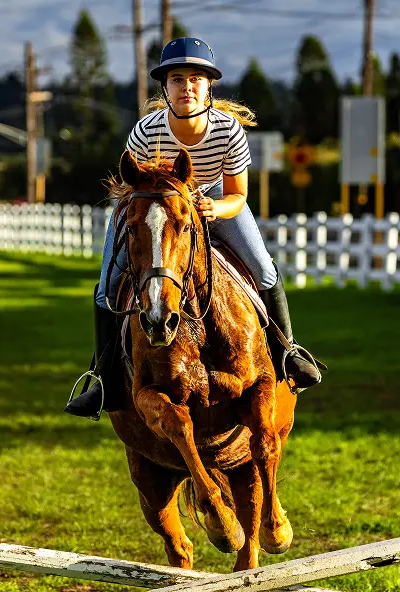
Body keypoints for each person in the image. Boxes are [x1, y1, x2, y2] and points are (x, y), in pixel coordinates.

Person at [65, 37, 324, 419]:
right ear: (165, 88)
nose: (186, 86)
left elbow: (238, 194)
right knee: (107, 286)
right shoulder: (145, 131)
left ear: (208, 87)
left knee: (264, 268)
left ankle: (289, 353)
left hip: (214, 196)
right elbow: (136, 186)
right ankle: (104, 379)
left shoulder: (228, 131)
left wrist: (213, 207)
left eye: (195, 79)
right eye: (177, 79)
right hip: (155, 203)